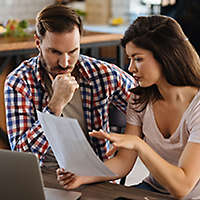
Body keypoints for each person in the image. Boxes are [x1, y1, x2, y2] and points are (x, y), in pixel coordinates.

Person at [57, 15, 200, 200]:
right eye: (130, 59)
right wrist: (82, 176)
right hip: (154, 191)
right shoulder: (139, 99)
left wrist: (139, 145)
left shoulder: (196, 107)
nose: (131, 68)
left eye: (138, 59)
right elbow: (124, 162)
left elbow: (182, 188)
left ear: (166, 56)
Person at [4, 4, 134, 177]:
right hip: (42, 178)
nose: (64, 63)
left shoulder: (102, 74)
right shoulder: (19, 82)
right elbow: (22, 157)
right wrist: (55, 105)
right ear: (38, 43)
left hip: (94, 178)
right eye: (55, 52)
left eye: (73, 51)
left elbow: (148, 105)